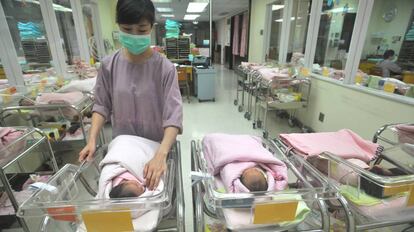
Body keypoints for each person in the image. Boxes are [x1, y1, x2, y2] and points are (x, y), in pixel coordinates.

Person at [79, 0, 183, 191]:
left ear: (151, 27)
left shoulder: (164, 69)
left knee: (156, 199)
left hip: (157, 148)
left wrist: (161, 155)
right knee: (123, 195)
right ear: (118, 26)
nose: (135, 35)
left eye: (142, 30)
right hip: (124, 148)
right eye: (127, 29)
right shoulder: (109, 66)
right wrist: (92, 139)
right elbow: (101, 105)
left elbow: (173, 117)